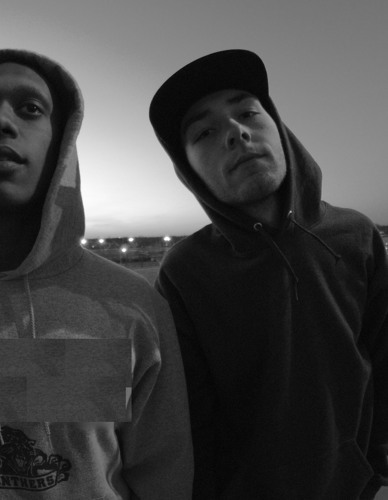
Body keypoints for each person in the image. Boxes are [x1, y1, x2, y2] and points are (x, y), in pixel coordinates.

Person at [0, 49, 193, 499]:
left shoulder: (132, 304)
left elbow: (163, 471)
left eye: (30, 108)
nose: (0, 121)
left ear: (61, 146)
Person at [149, 49, 388, 499]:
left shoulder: (355, 234)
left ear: (278, 127)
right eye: (204, 132)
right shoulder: (185, 271)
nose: (235, 132)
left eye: (248, 113)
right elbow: (192, 419)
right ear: (188, 170)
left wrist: (379, 474)